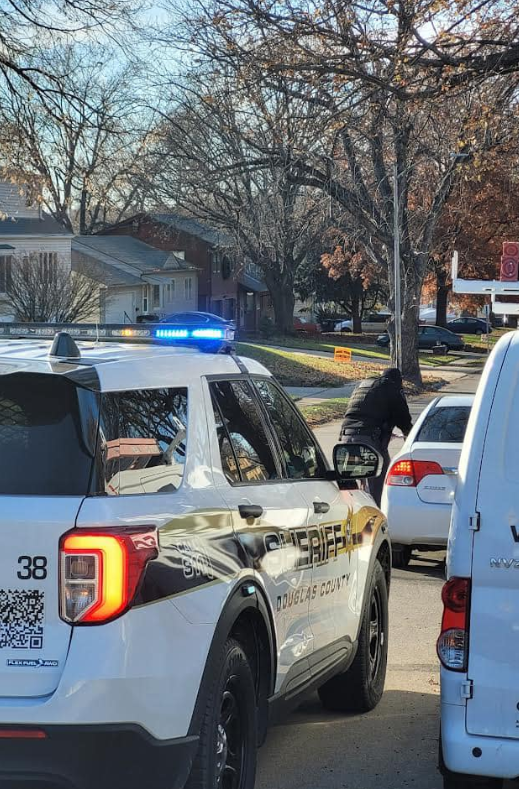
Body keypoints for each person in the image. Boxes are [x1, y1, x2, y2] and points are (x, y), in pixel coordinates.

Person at [339, 368, 412, 506]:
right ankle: (378, 514)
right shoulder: (392, 387)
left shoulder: (364, 385)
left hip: (346, 437)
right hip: (368, 441)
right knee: (380, 480)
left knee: (351, 483)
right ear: (398, 382)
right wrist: (410, 438)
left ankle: (350, 511)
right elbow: (404, 420)